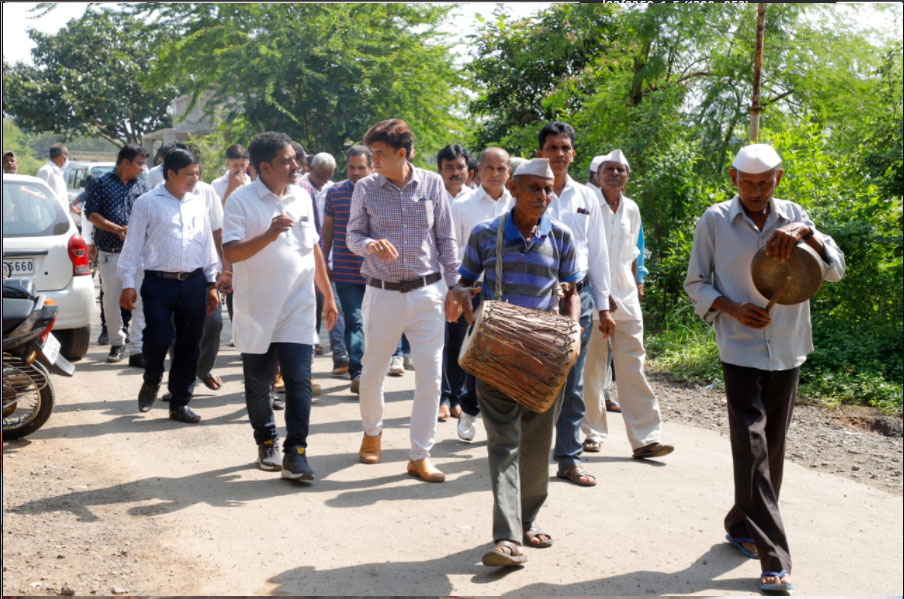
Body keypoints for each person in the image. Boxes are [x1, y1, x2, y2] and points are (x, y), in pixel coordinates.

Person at [684, 143, 845, 594]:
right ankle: (774, 558)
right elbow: (696, 281)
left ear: (779, 178)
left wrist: (808, 233)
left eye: (765, 183)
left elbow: (835, 270)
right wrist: (732, 307)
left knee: (771, 446)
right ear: (733, 178)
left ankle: (740, 523)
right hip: (739, 348)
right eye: (748, 183)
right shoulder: (715, 220)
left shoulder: (796, 215)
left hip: (788, 347)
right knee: (751, 444)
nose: (756, 191)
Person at [448, 157, 587, 566]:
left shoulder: (561, 236)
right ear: (513, 188)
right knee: (504, 444)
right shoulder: (485, 234)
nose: (543, 196)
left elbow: (571, 291)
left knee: (537, 447)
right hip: (495, 354)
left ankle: (527, 520)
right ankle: (507, 538)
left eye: (548, 189)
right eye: (534, 188)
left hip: (545, 357)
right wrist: (461, 295)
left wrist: (572, 329)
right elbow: (464, 281)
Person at [346, 118, 459, 483]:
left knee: (430, 377)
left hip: (428, 293)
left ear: (402, 153)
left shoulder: (432, 184)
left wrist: (455, 288)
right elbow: (352, 235)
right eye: (372, 153)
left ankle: (420, 455)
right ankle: (372, 432)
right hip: (382, 293)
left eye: (379, 154)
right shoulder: (365, 187)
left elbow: (446, 239)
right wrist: (369, 245)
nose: (373, 160)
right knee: (373, 371)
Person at [223, 132, 338, 479]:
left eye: (294, 159)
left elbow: (313, 248)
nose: (295, 166)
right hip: (256, 309)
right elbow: (231, 252)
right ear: (265, 167)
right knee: (259, 385)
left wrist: (328, 295)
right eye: (286, 161)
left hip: (298, 307)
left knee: (299, 380)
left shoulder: (301, 196)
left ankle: (296, 452)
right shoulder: (241, 201)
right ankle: (266, 439)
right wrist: (269, 235)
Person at [580, 150, 674, 459]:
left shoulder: (631, 208)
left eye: (620, 169)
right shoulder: (586, 203)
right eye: (608, 169)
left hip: (625, 295)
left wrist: (636, 285)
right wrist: (597, 292)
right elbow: (582, 253)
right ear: (598, 175)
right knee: (592, 367)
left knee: (633, 365)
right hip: (592, 294)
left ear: (627, 176)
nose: (614, 174)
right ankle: (592, 433)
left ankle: (646, 438)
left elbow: (634, 252)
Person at [536, 121, 614, 487]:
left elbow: (598, 253)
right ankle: (529, 454)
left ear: (573, 153)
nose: (559, 154)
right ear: (540, 153)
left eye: (565, 148)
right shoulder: (526, 189)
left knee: (572, 379)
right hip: (534, 295)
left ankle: (568, 457)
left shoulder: (587, 197)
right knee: (534, 376)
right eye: (552, 147)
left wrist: (603, 305)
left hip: (576, 298)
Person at [118, 148, 220, 424]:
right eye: (189, 174)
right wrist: (128, 283)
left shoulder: (198, 203)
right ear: (171, 173)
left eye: (197, 173)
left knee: (189, 345)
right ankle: (152, 378)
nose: (195, 179)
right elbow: (132, 245)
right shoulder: (147, 203)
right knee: (158, 338)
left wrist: (211, 283)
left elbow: (207, 245)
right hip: (158, 283)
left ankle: (180, 402)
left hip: (193, 283)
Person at [447, 147, 514, 440]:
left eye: (501, 169)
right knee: (473, 355)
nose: (495, 174)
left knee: (507, 358)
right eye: (490, 168)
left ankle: (502, 420)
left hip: (512, 292)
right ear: (478, 171)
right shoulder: (463, 205)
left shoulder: (518, 203)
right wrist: (454, 292)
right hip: (474, 289)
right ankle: (469, 410)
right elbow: (451, 249)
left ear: (509, 172)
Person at [84, 144, 150, 363]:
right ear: (125, 162)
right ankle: (117, 343)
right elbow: (91, 214)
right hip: (111, 253)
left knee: (140, 301)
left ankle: (137, 348)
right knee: (112, 302)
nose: (142, 168)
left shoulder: (142, 187)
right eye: (139, 163)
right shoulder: (101, 183)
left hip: (139, 254)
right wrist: (117, 230)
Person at [322, 145, 373, 393]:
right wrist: (323, 260)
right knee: (355, 321)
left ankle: (373, 370)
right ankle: (358, 372)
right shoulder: (335, 193)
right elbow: (328, 229)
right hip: (345, 270)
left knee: (375, 324)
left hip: (378, 272)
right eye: (351, 167)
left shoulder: (381, 191)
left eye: (361, 167)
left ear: (371, 168)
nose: (355, 172)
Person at [36, 143, 70, 211]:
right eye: (67, 156)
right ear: (61, 157)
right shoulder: (46, 171)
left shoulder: (58, 172)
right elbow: (39, 194)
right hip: (49, 214)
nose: (67, 159)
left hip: (60, 213)